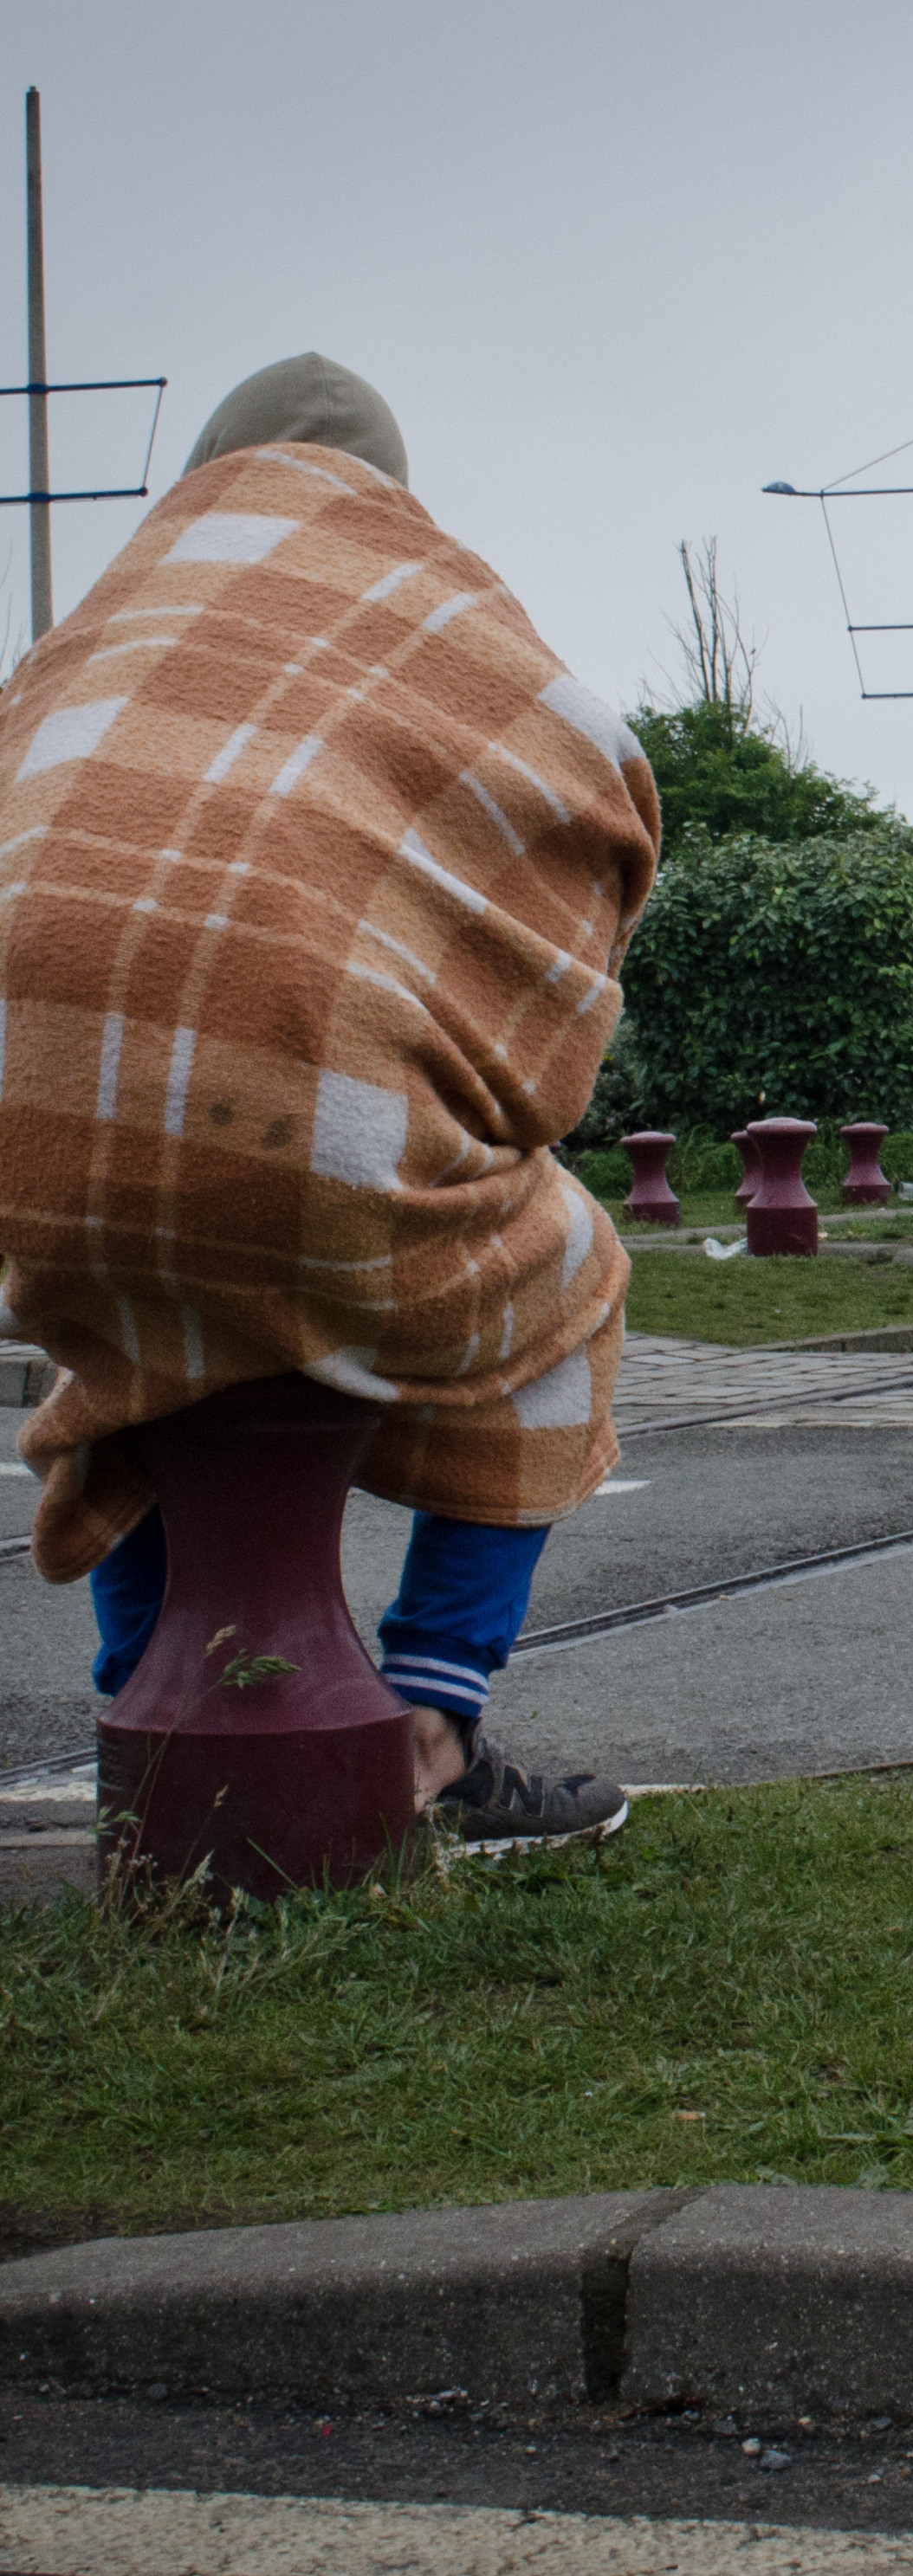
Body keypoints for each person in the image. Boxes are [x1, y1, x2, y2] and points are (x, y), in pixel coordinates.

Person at [0, 353, 657, 1850]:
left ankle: (150, 1721)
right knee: (572, 1283)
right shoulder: (433, 624)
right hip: (316, 1157)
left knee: (132, 1342)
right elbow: (599, 797)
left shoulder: (88, 643)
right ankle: (431, 1721)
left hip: (42, 1157)